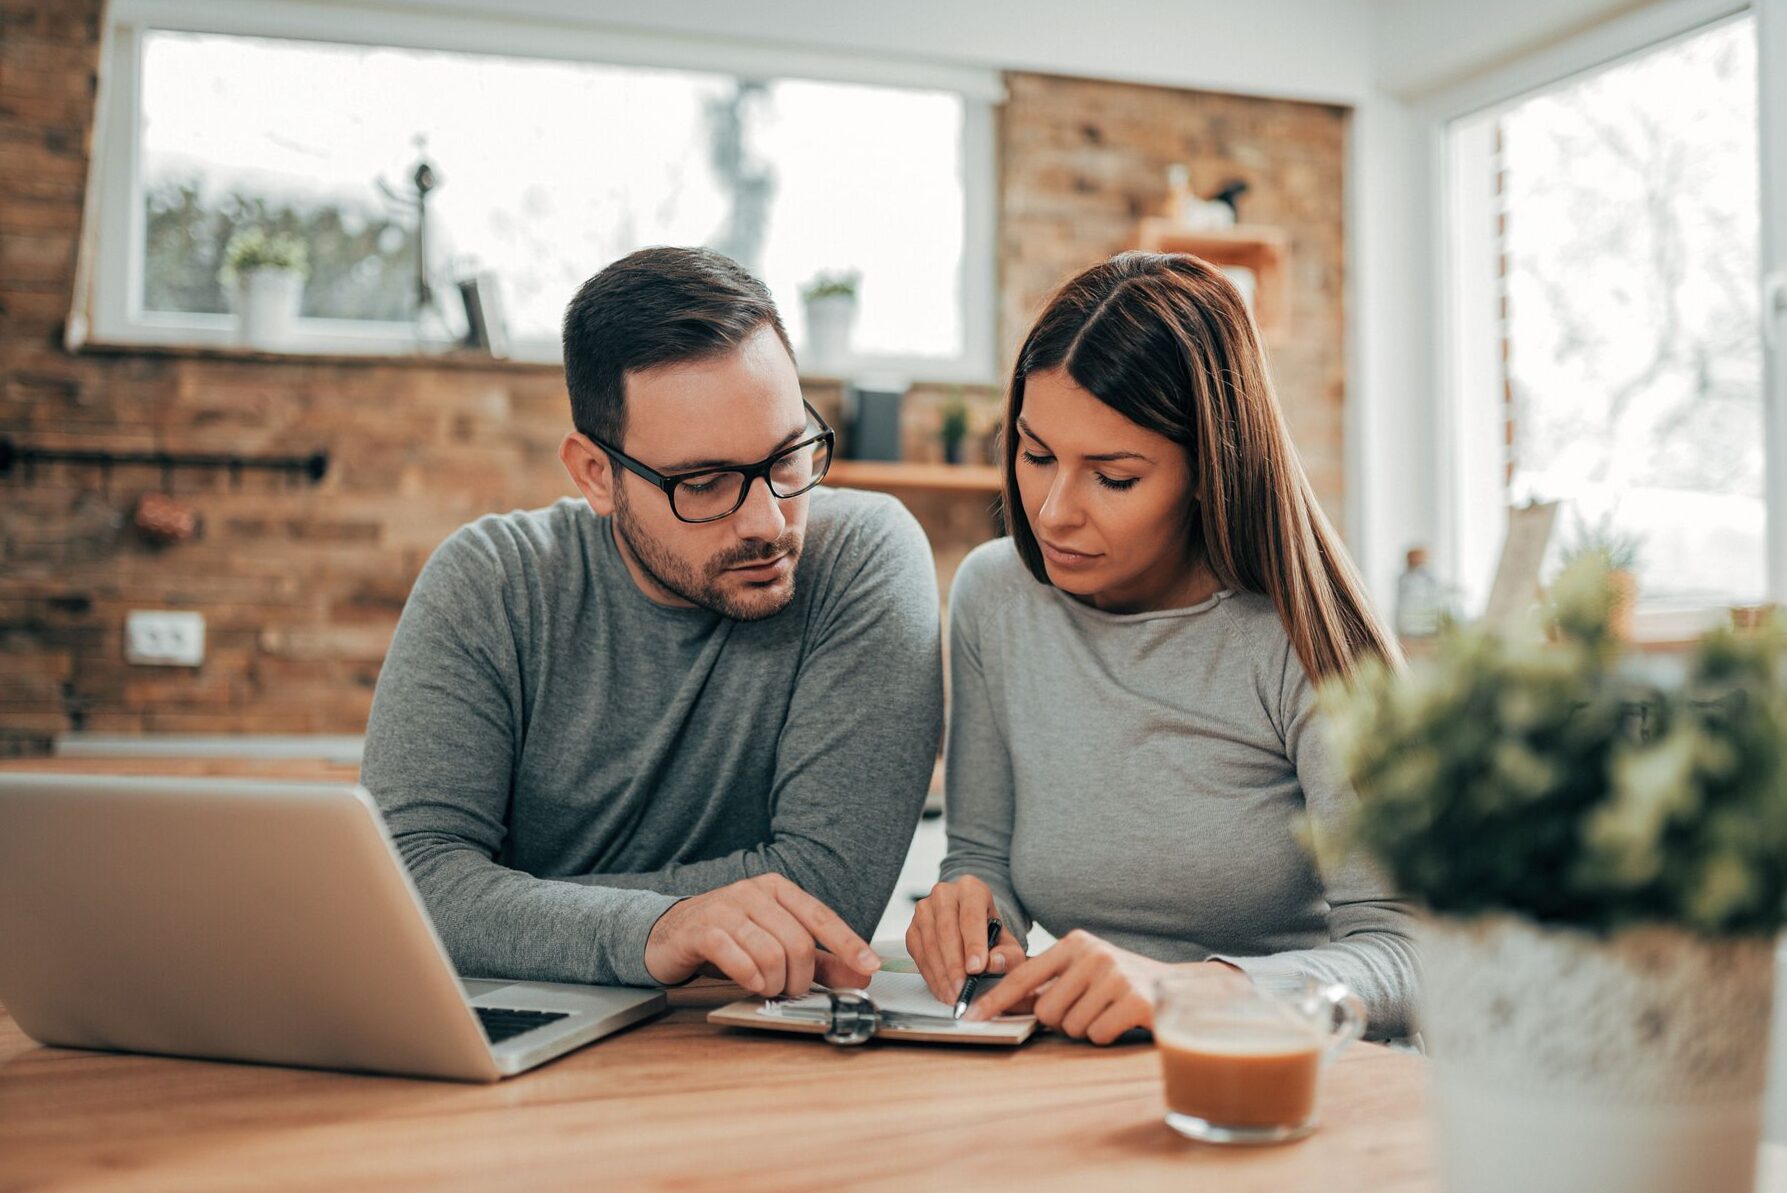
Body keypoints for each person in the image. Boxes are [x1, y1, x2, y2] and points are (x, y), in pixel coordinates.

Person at [363, 246, 943, 998]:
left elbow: (826, 894)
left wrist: (512, 903)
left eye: (789, 456)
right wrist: (655, 928)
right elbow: (406, 884)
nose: (768, 521)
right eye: (703, 483)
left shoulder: (863, 558)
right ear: (595, 475)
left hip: (744, 1044)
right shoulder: (493, 582)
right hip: (512, 1032)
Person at [906, 251, 1417, 1043]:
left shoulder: (1304, 638)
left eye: (1112, 477)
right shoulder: (994, 597)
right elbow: (981, 856)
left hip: (1290, 1080)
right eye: (1035, 454)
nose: (1051, 512)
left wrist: (1194, 991)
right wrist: (972, 915)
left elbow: (1409, 954)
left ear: (1210, 472)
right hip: (1092, 1073)